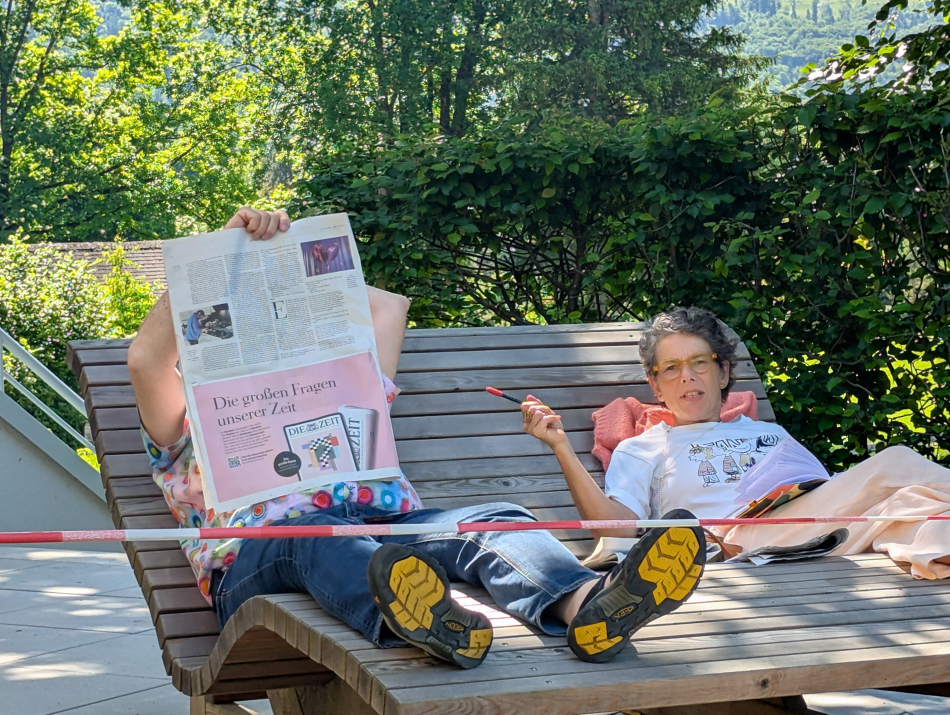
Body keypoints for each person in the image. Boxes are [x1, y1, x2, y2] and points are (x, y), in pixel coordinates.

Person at [129, 208, 708, 669]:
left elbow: (387, 309)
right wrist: (223, 257)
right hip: (260, 557)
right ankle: (425, 620)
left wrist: (286, 258)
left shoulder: (346, 386)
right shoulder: (185, 421)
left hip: (391, 531)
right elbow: (145, 361)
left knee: (496, 518)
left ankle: (588, 605)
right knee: (317, 536)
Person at [522, 306, 950, 579]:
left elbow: (829, 493)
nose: (686, 377)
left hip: (811, 535)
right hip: (731, 545)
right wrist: (561, 447)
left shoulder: (767, 433)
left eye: (699, 362)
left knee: (915, 510)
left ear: (723, 372)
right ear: (656, 385)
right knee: (896, 461)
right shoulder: (644, 447)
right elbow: (616, 528)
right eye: (670, 368)